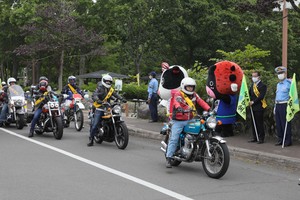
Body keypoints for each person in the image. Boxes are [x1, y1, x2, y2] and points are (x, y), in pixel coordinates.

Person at [165, 77, 210, 168]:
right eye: (188, 87)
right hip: (178, 121)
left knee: (203, 130)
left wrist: (209, 109)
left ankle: (197, 149)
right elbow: (176, 102)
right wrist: (179, 108)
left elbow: (201, 102)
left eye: (192, 87)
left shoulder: (194, 95)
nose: (190, 89)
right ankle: (169, 157)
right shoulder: (179, 94)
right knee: (174, 138)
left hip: (190, 120)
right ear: (183, 86)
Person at [87, 74, 126, 146]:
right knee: (95, 124)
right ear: (103, 81)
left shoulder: (110, 89)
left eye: (109, 82)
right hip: (99, 107)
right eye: (107, 81)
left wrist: (122, 99)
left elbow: (115, 94)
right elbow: (94, 95)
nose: (108, 83)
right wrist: (97, 100)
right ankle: (91, 139)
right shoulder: (99, 88)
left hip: (107, 106)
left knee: (116, 115)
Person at [274, 66, 292, 147]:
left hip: (285, 104)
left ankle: (287, 140)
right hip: (278, 104)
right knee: (278, 124)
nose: (280, 75)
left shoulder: (289, 83)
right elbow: (277, 96)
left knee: (285, 123)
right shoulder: (278, 84)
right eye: (278, 73)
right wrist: (275, 106)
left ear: (285, 74)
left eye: (281, 73)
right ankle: (280, 139)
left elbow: (292, 96)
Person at [248, 71, 267, 144]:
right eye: (252, 76)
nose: (253, 78)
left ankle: (261, 138)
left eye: (255, 76)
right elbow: (249, 94)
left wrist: (253, 102)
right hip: (252, 107)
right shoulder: (252, 85)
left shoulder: (262, 86)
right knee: (253, 122)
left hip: (259, 106)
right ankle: (255, 137)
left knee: (259, 123)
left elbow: (261, 96)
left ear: (259, 77)